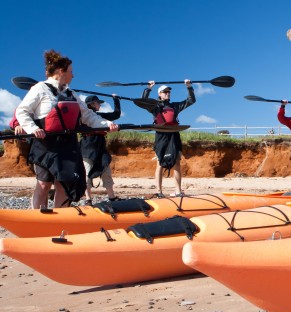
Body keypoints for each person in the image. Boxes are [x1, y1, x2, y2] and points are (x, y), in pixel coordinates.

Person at [15, 49, 119, 209]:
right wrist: (32, 127)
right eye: (71, 71)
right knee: (43, 184)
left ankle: (60, 221)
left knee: (63, 185)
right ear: (61, 72)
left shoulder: (72, 94)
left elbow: (88, 116)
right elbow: (22, 111)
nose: (73, 75)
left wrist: (106, 124)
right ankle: (38, 219)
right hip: (45, 144)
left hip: (67, 145)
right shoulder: (39, 89)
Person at [142, 80, 195, 197]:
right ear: (159, 94)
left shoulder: (174, 106)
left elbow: (191, 100)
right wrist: (148, 88)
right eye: (165, 92)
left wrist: (189, 87)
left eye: (168, 92)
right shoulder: (155, 106)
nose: (167, 93)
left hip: (174, 135)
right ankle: (159, 192)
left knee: (176, 163)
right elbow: (143, 102)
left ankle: (177, 191)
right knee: (160, 163)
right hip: (161, 136)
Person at [80, 95, 122, 205]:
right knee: (87, 173)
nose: (100, 105)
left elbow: (116, 115)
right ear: (92, 104)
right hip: (87, 146)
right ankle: (88, 199)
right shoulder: (83, 116)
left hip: (100, 146)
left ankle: (112, 197)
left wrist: (116, 100)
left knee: (106, 170)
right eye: (98, 103)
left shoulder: (99, 116)